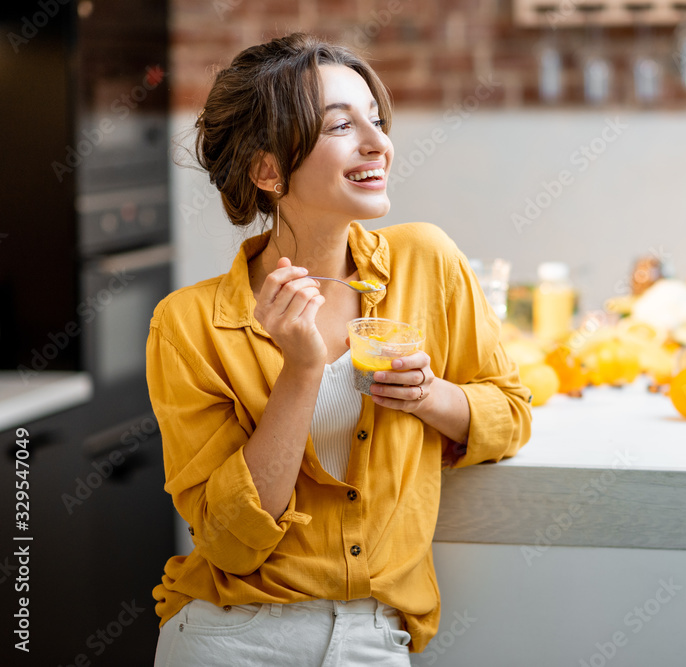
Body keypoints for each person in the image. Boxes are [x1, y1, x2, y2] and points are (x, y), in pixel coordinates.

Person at [147, 33, 532, 666]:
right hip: (230, 635)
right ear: (268, 170)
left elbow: (510, 414)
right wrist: (300, 373)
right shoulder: (188, 326)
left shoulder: (427, 262)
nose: (379, 144)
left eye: (377, 122)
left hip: (375, 638)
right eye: (341, 127)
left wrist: (430, 396)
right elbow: (229, 542)